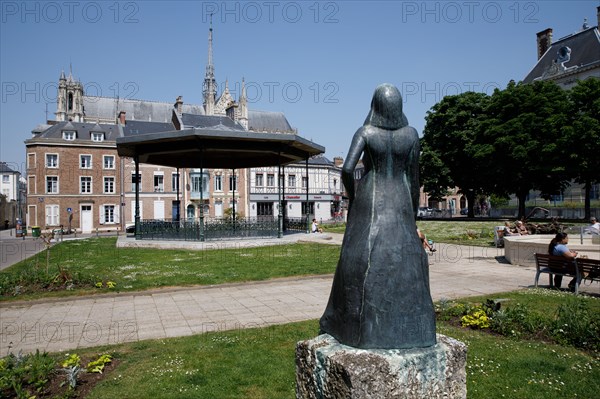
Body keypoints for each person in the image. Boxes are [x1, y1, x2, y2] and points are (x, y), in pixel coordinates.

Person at [320, 84, 436, 349]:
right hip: (401, 197)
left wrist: (353, 196)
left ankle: (351, 321)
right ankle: (408, 322)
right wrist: (413, 212)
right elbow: (414, 177)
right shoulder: (412, 135)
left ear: (375, 106)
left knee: (359, 253)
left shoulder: (366, 132)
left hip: (371, 197)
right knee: (405, 255)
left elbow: (347, 169)